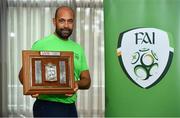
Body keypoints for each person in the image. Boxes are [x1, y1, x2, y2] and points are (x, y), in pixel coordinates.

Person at [19, 6, 91, 117]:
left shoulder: (78, 48)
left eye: (70, 21)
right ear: (54, 22)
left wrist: (76, 83)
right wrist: (31, 89)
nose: (66, 25)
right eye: (62, 21)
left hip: (70, 107)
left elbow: (87, 81)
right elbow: (23, 75)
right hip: (47, 106)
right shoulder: (41, 44)